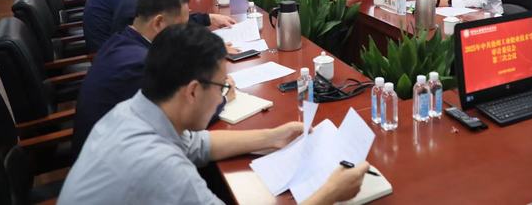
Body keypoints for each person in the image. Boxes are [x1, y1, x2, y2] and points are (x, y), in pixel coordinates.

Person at [58, 24, 369, 205]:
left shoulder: (133, 111)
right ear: (193, 91)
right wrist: (330, 193)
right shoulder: (161, 167)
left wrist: (274, 136)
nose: (223, 96)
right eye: (221, 87)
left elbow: (198, 144)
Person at [72, 0, 191, 158]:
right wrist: (222, 96)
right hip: (112, 163)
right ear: (158, 23)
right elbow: (181, 118)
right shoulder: (139, 65)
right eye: (182, 28)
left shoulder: (121, 39)